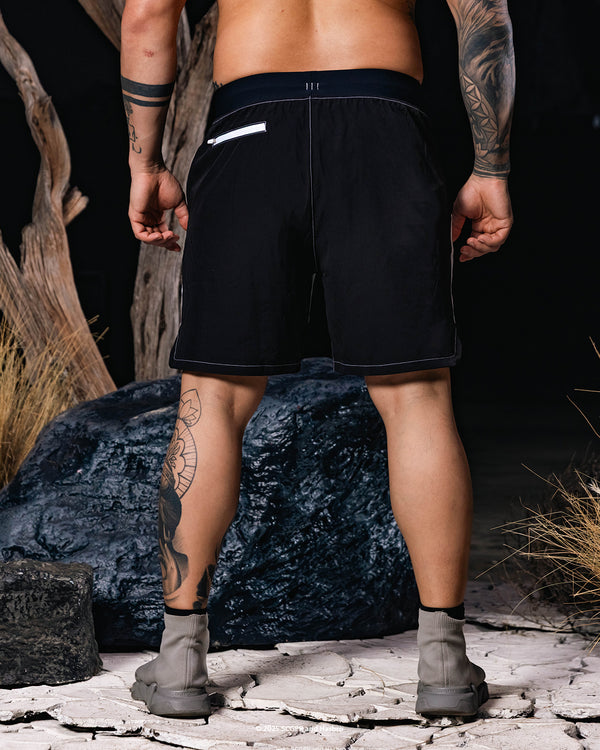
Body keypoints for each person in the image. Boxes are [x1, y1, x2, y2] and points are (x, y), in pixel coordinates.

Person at [121, 0, 514, 720]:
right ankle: (443, 661)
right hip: (383, 124)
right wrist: (491, 166)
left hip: (248, 126)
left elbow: (148, 13)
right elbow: (484, 13)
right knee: (416, 397)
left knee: (213, 398)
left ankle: (179, 660)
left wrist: (144, 163)